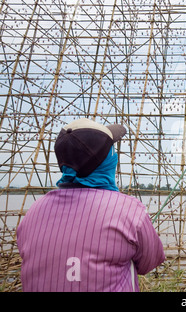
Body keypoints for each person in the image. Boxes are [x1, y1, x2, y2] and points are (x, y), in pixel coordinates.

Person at [17, 118, 165, 292]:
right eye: (111, 151)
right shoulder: (130, 211)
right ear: (107, 161)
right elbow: (149, 263)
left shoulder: (33, 212)